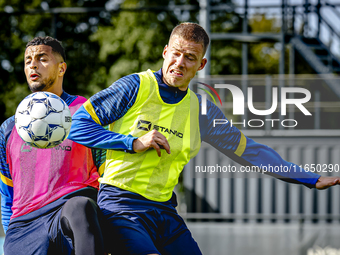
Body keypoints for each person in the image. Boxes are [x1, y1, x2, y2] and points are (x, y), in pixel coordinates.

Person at [68, 22, 340, 255]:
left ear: (201, 64)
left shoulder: (202, 111)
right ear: (165, 52)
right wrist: (132, 142)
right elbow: (78, 126)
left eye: (190, 57)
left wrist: (310, 179)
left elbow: (250, 151)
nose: (179, 63)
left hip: (164, 212)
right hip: (120, 206)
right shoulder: (135, 86)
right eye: (175, 54)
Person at [0, 36, 105, 255]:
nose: (33, 65)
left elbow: (109, 179)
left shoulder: (87, 113)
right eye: (28, 60)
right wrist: (12, 236)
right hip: (25, 226)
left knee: (80, 207)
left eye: (42, 58)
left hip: (70, 214)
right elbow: (7, 194)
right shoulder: (8, 129)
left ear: (61, 68)